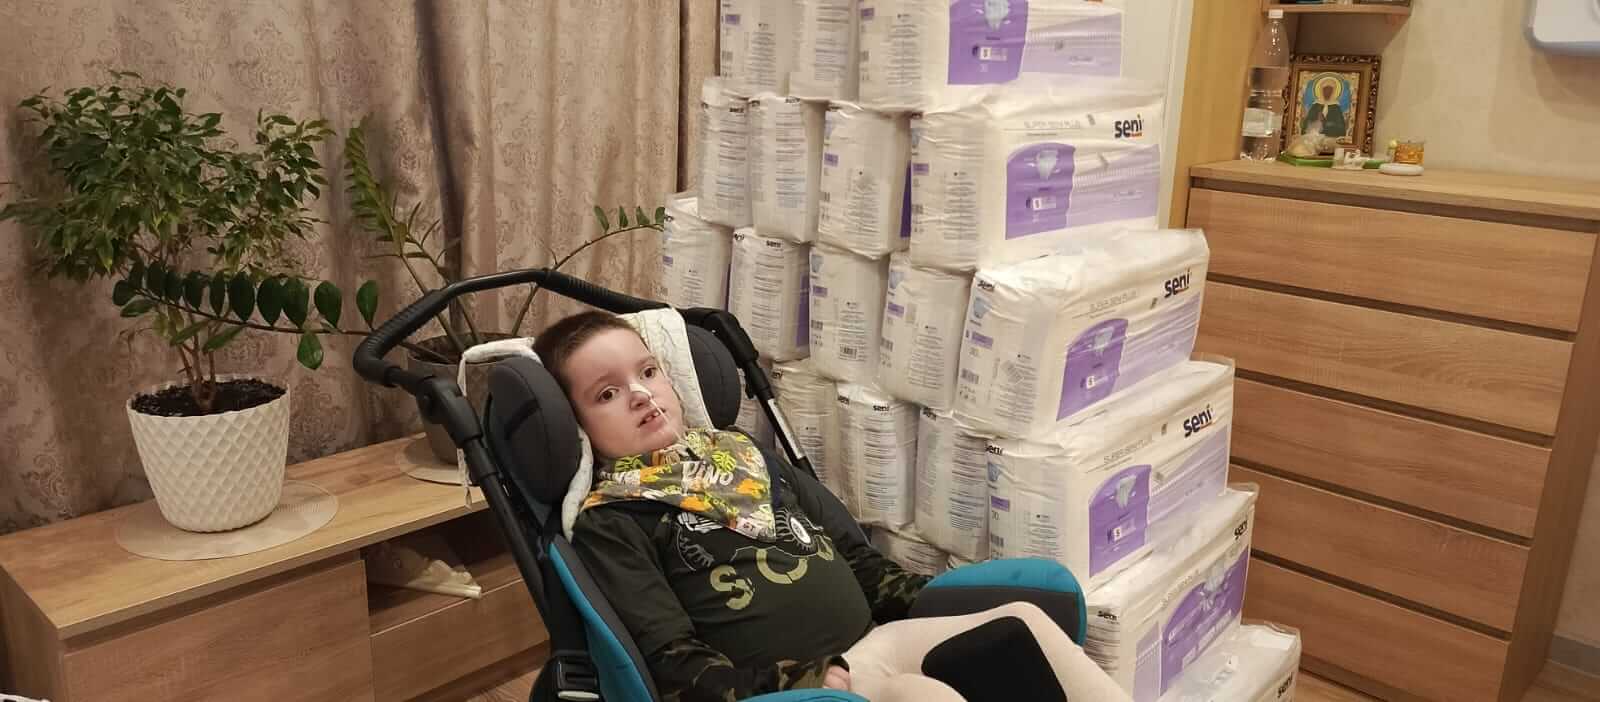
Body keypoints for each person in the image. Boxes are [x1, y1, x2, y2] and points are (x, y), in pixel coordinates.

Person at [535, 310, 1130, 702]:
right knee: (925, 696)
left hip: (875, 642)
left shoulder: (741, 455)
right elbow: (673, 664)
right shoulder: (614, 519)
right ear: (576, 427)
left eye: (648, 371)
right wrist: (805, 679)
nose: (641, 394)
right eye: (607, 393)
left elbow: (856, 558)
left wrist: (927, 598)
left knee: (1023, 620)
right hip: (803, 689)